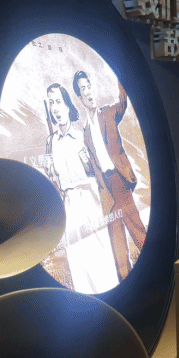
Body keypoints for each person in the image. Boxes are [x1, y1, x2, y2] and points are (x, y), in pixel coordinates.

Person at [44, 83, 119, 294]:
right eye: (52, 103)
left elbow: (98, 170)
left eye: (59, 102)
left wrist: (88, 164)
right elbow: (53, 179)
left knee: (99, 255)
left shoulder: (82, 135)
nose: (56, 108)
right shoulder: (50, 142)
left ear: (68, 105)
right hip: (68, 207)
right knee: (78, 260)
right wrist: (49, 171)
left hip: (89, 200)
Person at [73, 71, 147, 282]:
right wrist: (85, 162)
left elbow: (122, 103)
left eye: (89, 86)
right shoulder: (85, 133)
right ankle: (125, 279)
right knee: (117, 242)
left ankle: (155, 266)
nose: (88, 92)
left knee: (136, 229)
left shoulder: (108, 112)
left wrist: (122, 76)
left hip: (119, 180)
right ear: (79, 97)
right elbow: (92, 171)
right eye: (83, 89)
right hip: (105, 190)